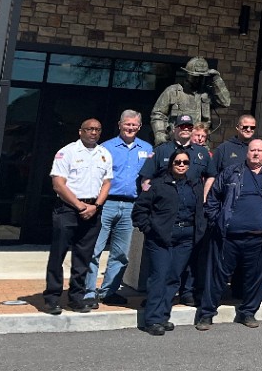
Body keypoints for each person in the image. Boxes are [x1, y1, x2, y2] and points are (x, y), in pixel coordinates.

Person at [198, 139, 262, 330]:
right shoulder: (231, 172)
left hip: (260, 238)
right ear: (247, 152)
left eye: (260, 151)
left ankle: (248, 313)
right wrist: (216, 222)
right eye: (252, 150)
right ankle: (206, 314)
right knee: (217, 276)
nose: (256, 154)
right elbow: (213, 199)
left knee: (255, 278)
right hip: (228, 237)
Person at [139, 115, 211, 305]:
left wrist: (202, 197)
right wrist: (148, 215)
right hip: (163, 217)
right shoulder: (162, 150)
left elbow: (211, 176)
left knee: (180, 264)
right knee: (159, 266)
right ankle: (153, 300)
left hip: (188, 216)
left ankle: (173, 298)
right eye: (182, 126)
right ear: (175, 129)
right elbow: (146, 179)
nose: (185, 129)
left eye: (189, 126)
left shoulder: (201, 153)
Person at [43, 119, 112, 314]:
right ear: (80, 131)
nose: (93, 132)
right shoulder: (67, 152)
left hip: (93, 209)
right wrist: (79, 205)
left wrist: (96, 205)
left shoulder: (104, 154)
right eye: (90, 129)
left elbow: (107, 183)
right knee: (58, 255)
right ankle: (52, 298)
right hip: (68, 209)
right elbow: (58, 184)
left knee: (83, 257)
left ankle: (76, 297)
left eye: (97, 129)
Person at [86, 109, 154, 306]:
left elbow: (148, 177)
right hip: (106, 204)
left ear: (139, 127)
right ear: (120, 125)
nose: (130, 128)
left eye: (134, 125)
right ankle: (89, 293)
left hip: (131, 206)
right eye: (127, 124)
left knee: (121, 254)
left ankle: (108, 291)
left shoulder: (147, 149)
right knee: (94, 250)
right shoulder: (105, 148)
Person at [133, 147, 203, 335]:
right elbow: (140, 210)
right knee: (160, 276)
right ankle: (152, 320)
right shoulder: (156, 184)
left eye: (185, 162)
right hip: (161, 239)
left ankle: (163, 316)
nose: (181, 165)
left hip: (185, 238)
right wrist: (149, 229)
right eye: (177, 162)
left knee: (173, 278)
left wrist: (199, 231)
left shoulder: (195, 185)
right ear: (171, 163)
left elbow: (199, 210)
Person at [149, 56, 231, 146]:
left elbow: (225, 102)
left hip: (200, 144)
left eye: (202, 77)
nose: (198, 79)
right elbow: (158, 114)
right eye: (195, 76)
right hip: (175, 143)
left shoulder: (207, 93)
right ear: (187, 74)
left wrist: (216, 80)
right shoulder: (173, 91)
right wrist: (160, 134)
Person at [205, 114, 258, 196]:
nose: (248, 129)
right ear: (237, 127)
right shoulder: (224, 148)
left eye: (252, 127)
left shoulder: (259, 148)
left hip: (252, 196)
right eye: (245, 127)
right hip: (227, 196)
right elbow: (212, 175)